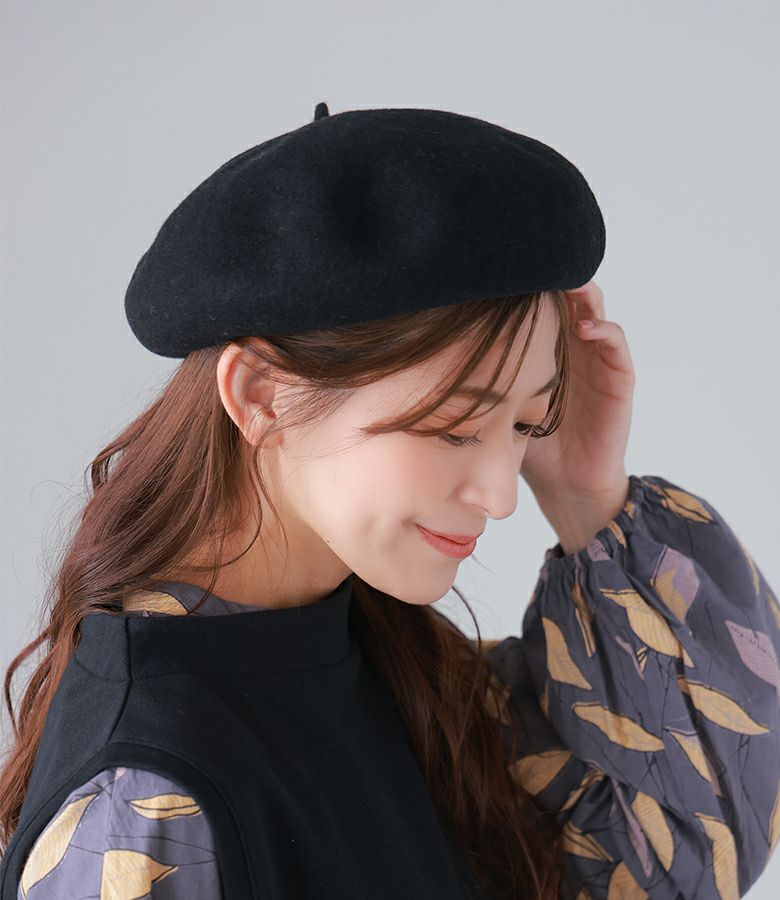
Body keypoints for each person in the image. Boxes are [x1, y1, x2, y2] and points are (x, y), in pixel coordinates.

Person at [1, 104, 778, 900]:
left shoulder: (401, 677)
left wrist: (587, 495)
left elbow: (687, 845)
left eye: (527, 423)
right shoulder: (144, 809)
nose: (501, 495)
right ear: (261, 395)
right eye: (453, 428)